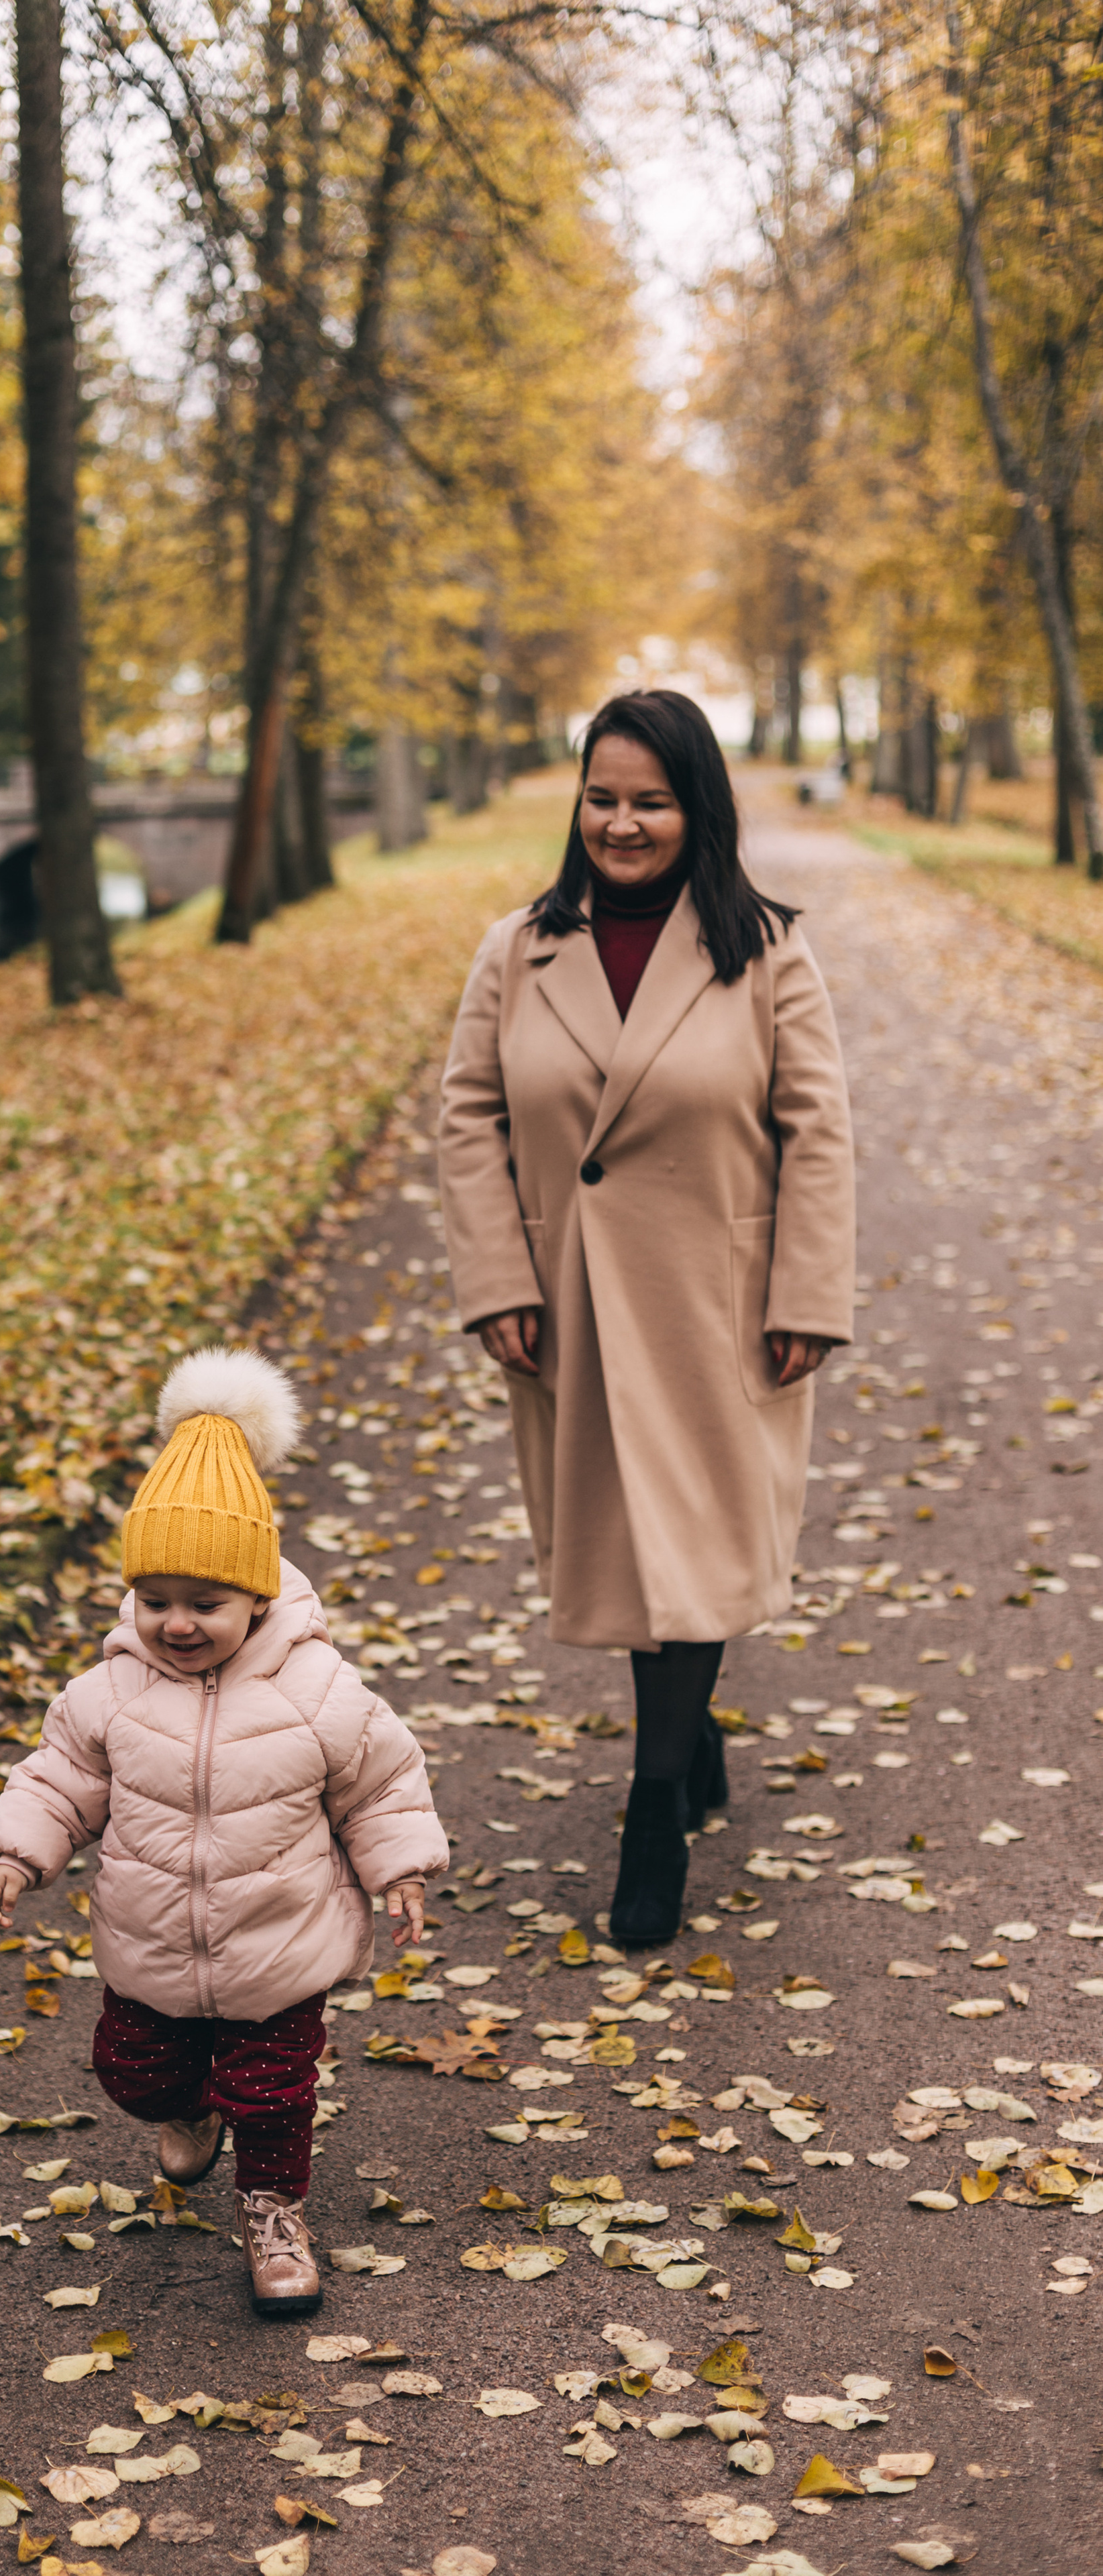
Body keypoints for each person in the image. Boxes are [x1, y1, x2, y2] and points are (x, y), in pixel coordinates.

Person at [437, 690, 855, 1946]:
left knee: (696, 1545)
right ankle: (691, 1732)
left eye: (651, 802)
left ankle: (655, 1805)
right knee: (632, 1549)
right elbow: (468, 1117)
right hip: (570, 1304)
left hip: (719, 1308)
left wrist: (808, 1294)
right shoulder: (517, 950)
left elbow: (817, 1131)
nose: (622, 824)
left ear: (697, 810)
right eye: (602, 798)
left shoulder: (765, 950)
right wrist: (497, 1278)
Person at [0, 1346, 448, 2317]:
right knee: (133, 2073)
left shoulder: (317, 1690)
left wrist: (399, 1867)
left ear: (259, 1596)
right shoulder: (110, 1690)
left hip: (278, 1941)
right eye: (155, 1602)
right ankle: (189, 2107)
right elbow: (63, 1775)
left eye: (206, 1604)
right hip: (152, 1939)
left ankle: (274, 2213)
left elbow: (379, 1781)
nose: (178, 1625)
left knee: (272, 2091)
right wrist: (22, 1850)